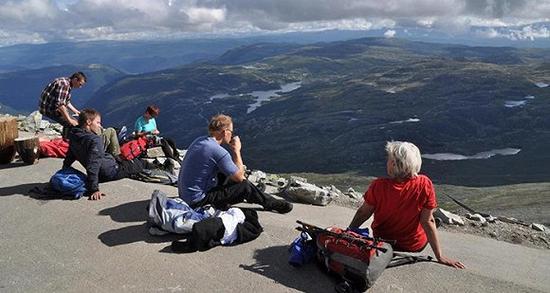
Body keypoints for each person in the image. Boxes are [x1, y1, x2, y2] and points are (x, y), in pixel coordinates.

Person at [348, 141, 465, 269]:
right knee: (431, 220)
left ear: (393, 164)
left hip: (383, 243)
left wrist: (348, 232)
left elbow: (363, 213)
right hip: (413, 246)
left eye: (389, 159)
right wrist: (440, 256)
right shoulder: (424, 184)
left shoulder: (378, 185)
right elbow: (427, 221)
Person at [178, 114, 293, 213]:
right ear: (225, 132)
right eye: (231, 132)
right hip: (197, 202)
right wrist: (236, 151)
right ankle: (270, 203)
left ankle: (258, 194)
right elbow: (240, 178)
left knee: (224, 174)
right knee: (245, 186)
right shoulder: (218, 151)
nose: (232, 135)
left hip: (185, 196)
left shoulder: (199, 141)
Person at [63, 109, 145, 200]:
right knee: (138, 164)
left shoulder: (74, 135)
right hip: (109, 172)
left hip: (103, 168)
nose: (100, 126)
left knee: (124, 162)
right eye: (98, 123)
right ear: (88, 122)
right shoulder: (94, 140)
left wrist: (64, 171)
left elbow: (70, 156)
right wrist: (94, 189)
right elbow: (93, 164)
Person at [39, 72, 87, 138]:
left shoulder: (66, 82)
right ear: (75, 79)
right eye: (80, 84)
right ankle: (67, 141)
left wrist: (76, 111)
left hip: (48, 106)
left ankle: (66, 138)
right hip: (49, 109)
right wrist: (69, 120)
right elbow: (61, 105)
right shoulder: (65, 85)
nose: (80, 87)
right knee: (72, 123)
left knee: (72, 119)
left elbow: (66, 102)